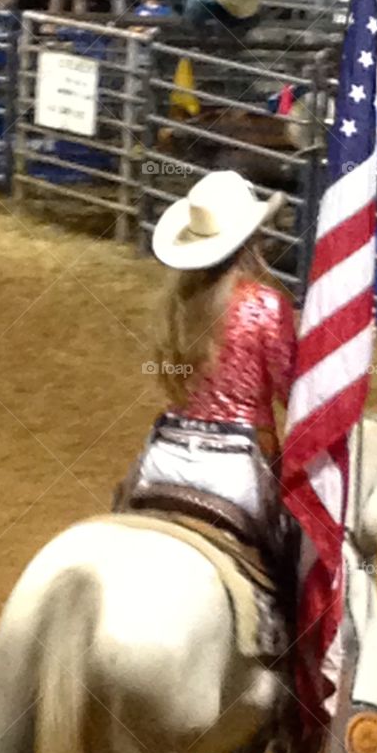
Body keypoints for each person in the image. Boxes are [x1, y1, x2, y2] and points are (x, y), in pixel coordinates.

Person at [134, 170, 295, 531]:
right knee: (297, 544)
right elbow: (292, 393)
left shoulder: (176, 303)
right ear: (253, 239)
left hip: (164, 455)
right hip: (236, 468)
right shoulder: (266, 305)